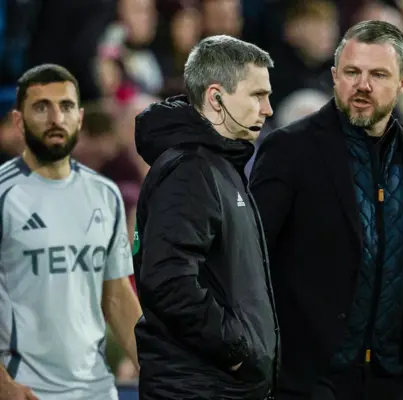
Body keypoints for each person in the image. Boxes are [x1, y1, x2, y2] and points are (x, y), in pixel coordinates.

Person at [250, 21, 403, 400]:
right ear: (335, 76)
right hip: (307, 380)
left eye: (378, 74)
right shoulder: (289, 150)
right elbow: (251, 258)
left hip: (393, 380)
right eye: (352, 72)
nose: (363, 85)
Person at [132, 35, 279, 400]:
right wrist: (236, 351)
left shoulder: (220, 165)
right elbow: (168, 282)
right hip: (199, 388)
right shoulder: (190, 170)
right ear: (216, 99)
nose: (268, 109)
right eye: (257, 95)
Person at [0, 64, 141, 400]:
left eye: (65, 107)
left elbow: (118, 295)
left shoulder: (105, 194)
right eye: (41, 107)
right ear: (18, 121)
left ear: (79, 117)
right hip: (26, 390)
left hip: (97, 389)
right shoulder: (3, 194)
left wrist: (155, 368)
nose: (55, 118)